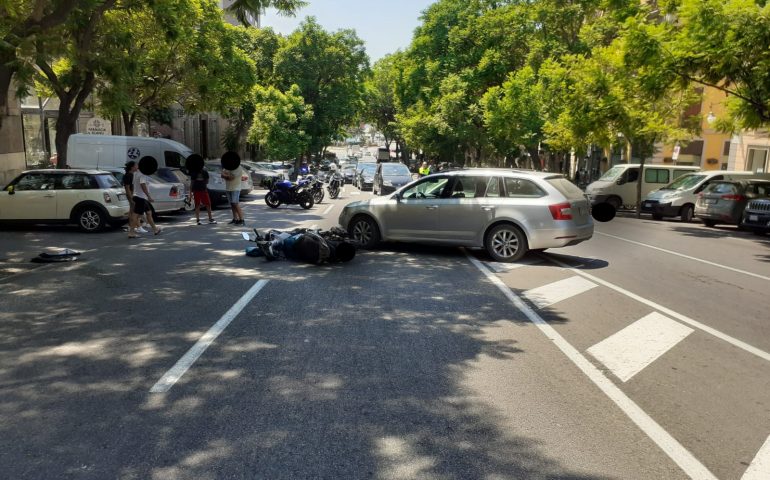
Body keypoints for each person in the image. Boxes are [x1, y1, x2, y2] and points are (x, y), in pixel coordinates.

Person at [129, 161, 161, 238]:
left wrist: (133, 195)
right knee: (136, 215)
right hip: (140, 197)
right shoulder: (142, 174)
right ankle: (131, 232)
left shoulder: (136, 173)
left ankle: (155, 229)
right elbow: (142, 185)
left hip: (139, 197)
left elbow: (133, 185)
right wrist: (149, 196)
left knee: (149, 212)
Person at [123, 161, 148, 234]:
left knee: (134, 212)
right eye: (136, 165)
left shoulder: (133, 174)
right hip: (131, 195)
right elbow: (127, 188)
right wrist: (131, 198)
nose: (137, 167)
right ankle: (136, 227)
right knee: (133, 212)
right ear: (132, 167)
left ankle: (133, 227)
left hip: (134, 195)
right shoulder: (128, 175)